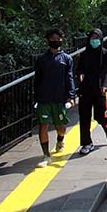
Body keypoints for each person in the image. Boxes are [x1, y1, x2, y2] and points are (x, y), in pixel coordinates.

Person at [34, 28, 76, 167]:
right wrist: (36, 97)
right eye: (52, 39)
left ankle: (60, 139)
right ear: (47, 40)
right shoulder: (41, 59)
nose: (55, 41)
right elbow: (37, 79)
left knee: (60, 126)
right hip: (44, 98)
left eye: (58, 39)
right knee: (43, 125)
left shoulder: (67, 59)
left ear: (62, 40)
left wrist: (71, 96)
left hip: (59, 98)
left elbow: (70, 77)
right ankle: (46, 155)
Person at [76, 28, 107, 155]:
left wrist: (104, 85)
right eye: (92, 38)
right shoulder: (84, 54)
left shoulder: (106, 54)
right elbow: (79, 68)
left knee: (99, 115)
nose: (94, 40)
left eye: (97, 38)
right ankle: (86, 143)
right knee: (84, 117)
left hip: (99, 89)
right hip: (85, 89)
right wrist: (80, 74)